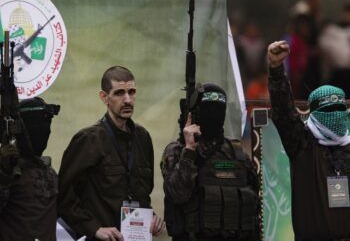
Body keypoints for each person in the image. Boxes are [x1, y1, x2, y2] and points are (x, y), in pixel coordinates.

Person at [58, 66, 165, 241]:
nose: (128, 99)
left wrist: (151, 217)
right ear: (104, 97)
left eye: (132, 92)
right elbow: (64, 197)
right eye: (119, 93)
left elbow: (141, 193)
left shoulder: (143, 138)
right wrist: (94, 229)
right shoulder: (88, 139)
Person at [267, 40, 350, 240]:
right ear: (313, 113)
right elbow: (284, 111)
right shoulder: (302, 144)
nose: (334, 117)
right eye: (328, 110)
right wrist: (276, 69)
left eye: (339, 110)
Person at [161, 83, 260, 241]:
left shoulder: (237, 153)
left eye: (219, 108)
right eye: (208, 108)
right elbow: (177, 194)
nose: (214, 114)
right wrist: (190, 150)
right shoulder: (178, 150)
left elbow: (252, 204)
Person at [0, 97, 60, 241]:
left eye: (47, 122)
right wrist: (3, 171)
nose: (45, 129)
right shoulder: (8, 168)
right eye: (36, 124)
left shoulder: (48, 172)